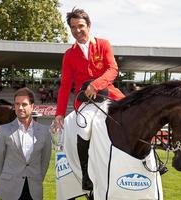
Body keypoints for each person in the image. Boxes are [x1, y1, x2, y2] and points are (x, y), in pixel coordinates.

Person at [52, 8, 125, 190]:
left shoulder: (103, 44)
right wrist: (59, 113)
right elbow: (65, 85)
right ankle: (86, 175)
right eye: (73, 27)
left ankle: (149, 159)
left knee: (136, 115)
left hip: (109, 94)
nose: (77, 30)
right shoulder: (69, 55)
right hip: (85, 101)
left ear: (89, 25)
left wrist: (96, 84)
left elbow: (113, 69)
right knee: (83, 129)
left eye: (81, 26)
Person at [0, 87, 52, 200]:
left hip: (33, 190)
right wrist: (6, 181)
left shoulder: (44, 132)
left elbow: (45, 162)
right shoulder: (3, 130)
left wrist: (36, 179)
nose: (20, 108)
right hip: (9, 190)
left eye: (24, 104)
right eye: (17, 104)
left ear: (32, 106)